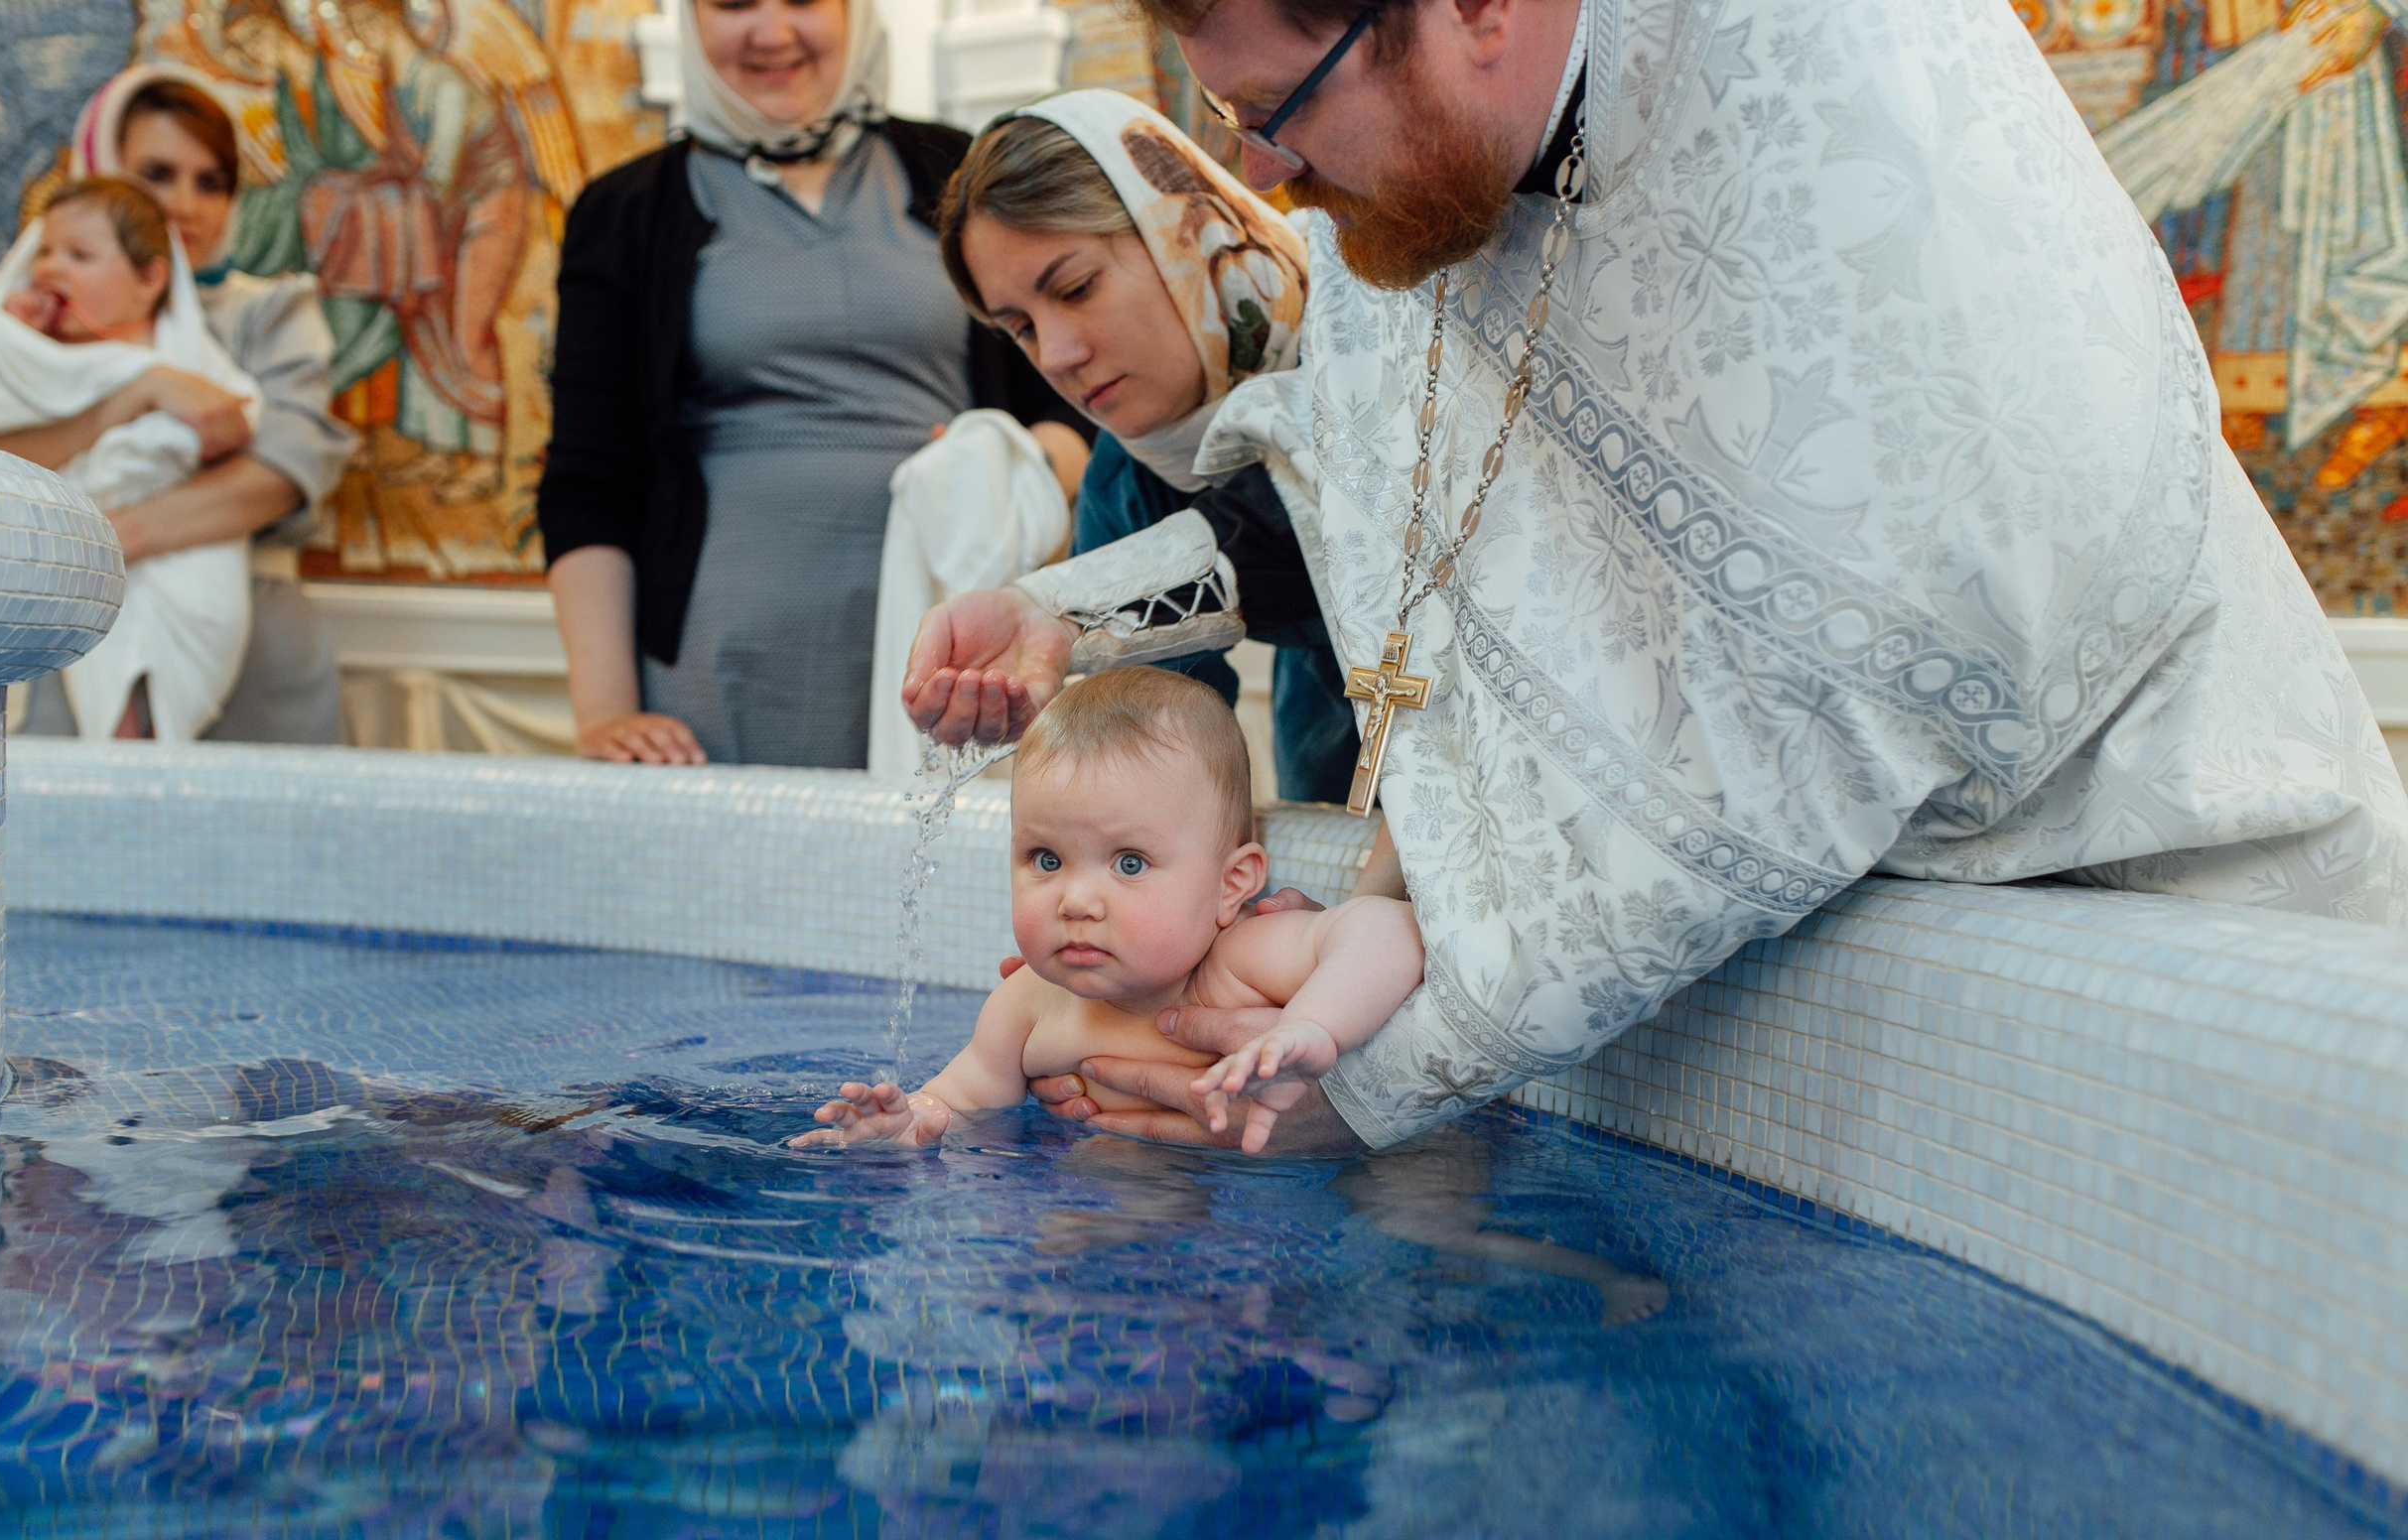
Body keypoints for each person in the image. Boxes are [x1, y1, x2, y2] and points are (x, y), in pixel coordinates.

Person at [899, 0, 2408, 1156]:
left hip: (2160, 909)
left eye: (1275, 108)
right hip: (1845, 995)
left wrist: (1368, 1082)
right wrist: (1065, 612)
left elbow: (1780, 753)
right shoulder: (1442, 164)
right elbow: (1339, 493)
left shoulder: (1842, 117)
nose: (1258, 168)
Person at [538, 0, 1089, 769]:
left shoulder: (958, 171)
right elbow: (588, 480)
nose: (772, 33)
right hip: (717, 672)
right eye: (734, 4)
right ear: (691, 24)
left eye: (803, 0)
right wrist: (603, 712)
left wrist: (1007, 461)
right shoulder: (625, 210)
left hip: (962, 651)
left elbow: (1070, 402)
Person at [794, 665, 1422, 1152]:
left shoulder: (1237, 964)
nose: (1076, 900)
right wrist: (908, 1126)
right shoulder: (1029, 1004)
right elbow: (959, 1101)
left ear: (1232, 885)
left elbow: (1388, 930)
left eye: (1129, 863)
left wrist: (1311, 1027)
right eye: (1046, 859)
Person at [940, 89, 1359, 803]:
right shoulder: (1123, 482)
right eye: (1022, 328)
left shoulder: (1382, 336)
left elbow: (1313, 506)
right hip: (1329, 781)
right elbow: (1163, 769)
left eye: (1075, 288)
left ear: (1180, 231)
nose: (1059, 356)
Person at [0, 68, 358, 745]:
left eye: (211, 181)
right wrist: (133, 396)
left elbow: (282, 471)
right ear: (102, 175)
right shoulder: (11, 313)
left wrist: (106, 545)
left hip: (250, 654)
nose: (185, 204)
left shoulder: (268, 311)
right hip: (57, 644)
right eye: (157, 174)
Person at [0, 180, 263, 740]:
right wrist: (12, 340)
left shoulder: (183, 355)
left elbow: (229, 419)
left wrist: (153, 422)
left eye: (79, 256)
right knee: (104, 678)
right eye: (45, 252)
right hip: (69, 554)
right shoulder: (39, 350)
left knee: (157, 683)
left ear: (150, 279)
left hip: (177, 548)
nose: (52, 268)